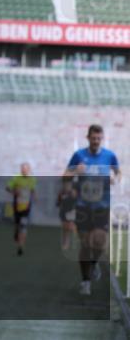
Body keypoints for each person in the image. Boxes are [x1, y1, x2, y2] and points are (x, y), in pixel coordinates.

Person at [66, 124, 120, 296]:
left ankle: (94, 263)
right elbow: (64, 176)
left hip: (102, 207)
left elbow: (118, 172)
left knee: (100, 243)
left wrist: (115, 178)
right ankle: (85, 281)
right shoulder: (79, 155)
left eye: (99, 138)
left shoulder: (109, 156)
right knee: (85, 244)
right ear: (88, 137)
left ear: (101, 139)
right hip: (83, 207)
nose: (96, 141)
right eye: (93, 138)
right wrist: (75, 170)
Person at [6, 162, 36, 256]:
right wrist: (14, 191)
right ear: (21, 170)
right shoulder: (16, 178)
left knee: (23, 226)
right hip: (17, 206)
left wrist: (34, 196)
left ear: (29, 170)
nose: (25, 170)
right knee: (17, 225)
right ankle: (16, 232)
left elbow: (32, 190)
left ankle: (20, 247)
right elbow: (7, 188)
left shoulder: (32, 180)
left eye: (26, 169)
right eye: (23, 169)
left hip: (26, 207)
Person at [57, 163, 83, 251]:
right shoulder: (67, 182)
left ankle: (78, 242)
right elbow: (62, 193)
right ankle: (66, 242)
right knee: (65, 227)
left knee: (72, 225)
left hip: (74, 207)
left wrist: (74, 193)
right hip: (65, 207)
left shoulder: (79, 182)